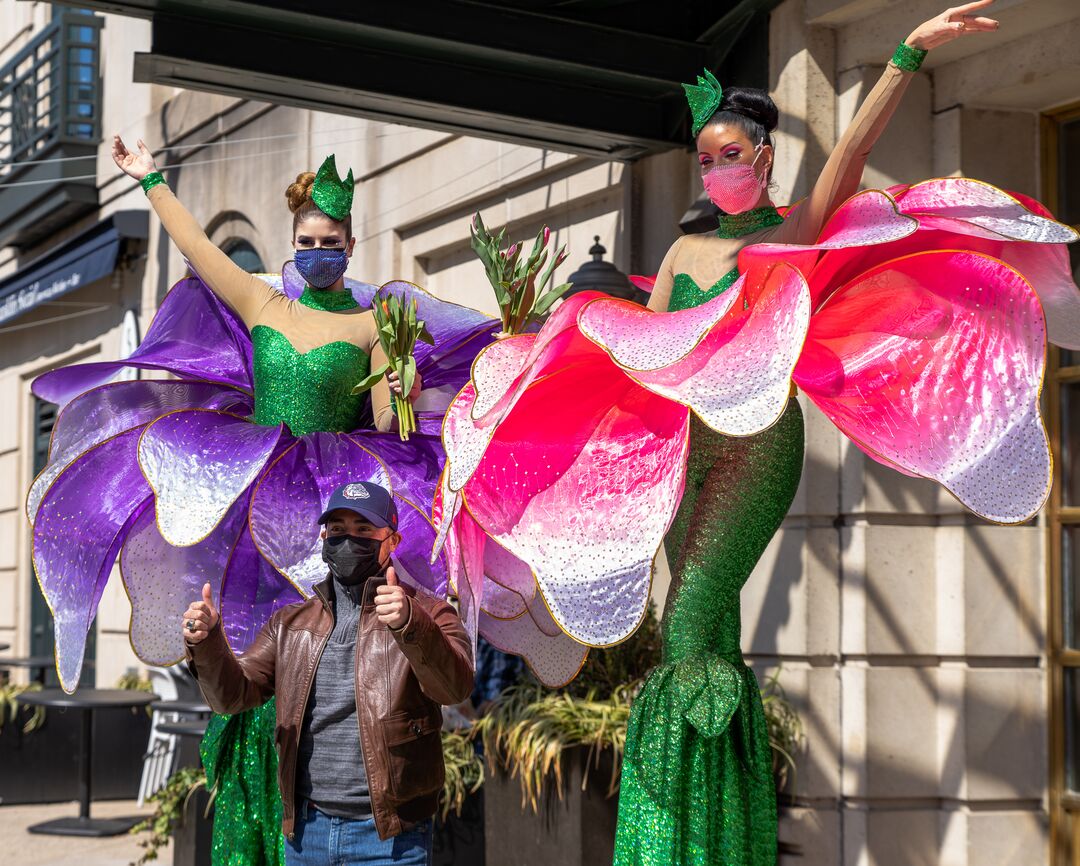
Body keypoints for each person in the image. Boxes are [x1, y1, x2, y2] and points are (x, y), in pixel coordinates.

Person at [432, 1, 1080, 864]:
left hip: (756, 451)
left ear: (764, 158)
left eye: (728, 155)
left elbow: (847, 157)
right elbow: (643, 360)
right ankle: (722, 839)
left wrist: (906, 55)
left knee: (693, 624)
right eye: (703, 157)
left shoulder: (788, 235)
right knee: (687, 627)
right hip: (684, 458)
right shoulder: (680, 256)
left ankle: (678, 846)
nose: (712, 170)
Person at [28, 145, 499, 864]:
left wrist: (402, 394)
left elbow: (379, 437)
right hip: (252, 512)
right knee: (253, 659)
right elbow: (197, 247)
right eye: (306, 243)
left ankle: (324, 799)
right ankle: (259, 825)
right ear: (296, 245)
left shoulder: (374, 328)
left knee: (322, 666)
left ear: (350, 245)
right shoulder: (263, 302)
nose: (317, 253)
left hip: (322, 521)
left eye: (329, 244)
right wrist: (149, 177)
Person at [183, 480, 473, 866]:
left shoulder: (430, 613)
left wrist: (409, 624)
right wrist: (207, 642)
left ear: (392, 541)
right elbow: (234, 696)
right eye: (337, 530)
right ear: (323, 537)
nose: (347, 540)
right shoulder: (291, 624)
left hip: (389, 837)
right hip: (308, 833)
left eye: (363, 530)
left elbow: (454, 688)